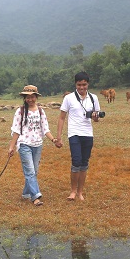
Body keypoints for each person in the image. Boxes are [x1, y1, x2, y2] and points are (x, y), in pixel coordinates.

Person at [55, 72, 102, 201]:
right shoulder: (69, 98)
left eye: (84, 85)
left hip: (87, 133)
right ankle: (73, 191)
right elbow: (62, 118)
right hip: (74, 133)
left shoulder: (93, 98)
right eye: (79, 85)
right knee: (76, 161)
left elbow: (96, 119)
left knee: (84, 163)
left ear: (88, 84)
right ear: (75, 84)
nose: (82, 87)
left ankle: (80, 192)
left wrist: (95, 117)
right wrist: (59, 137)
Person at [8, 85, 57, 206]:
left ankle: (26, 193)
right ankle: (35, 197)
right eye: (27, 97)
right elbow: (16, 130)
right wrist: (11, 147)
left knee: (34, 171)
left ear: (36, 97)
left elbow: (45, 129)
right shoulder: (20, 111)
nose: (30, 99)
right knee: (29, 171)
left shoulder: (41, 111)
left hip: (38, 144)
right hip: (24, 144)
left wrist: (53, 140)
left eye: (32, 97)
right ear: (24, 98)